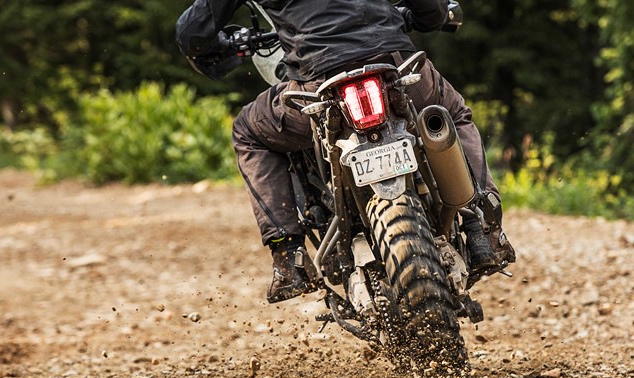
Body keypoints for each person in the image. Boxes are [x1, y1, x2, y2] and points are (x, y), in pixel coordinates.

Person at [176, 0, 515, 303]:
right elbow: (432, 12)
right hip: (393, 66)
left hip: (317, 84)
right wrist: (422, 16)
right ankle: (483, 227)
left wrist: (220, 46)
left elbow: (193, 33)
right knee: (452, 113)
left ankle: (289, 257)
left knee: (248, 131)